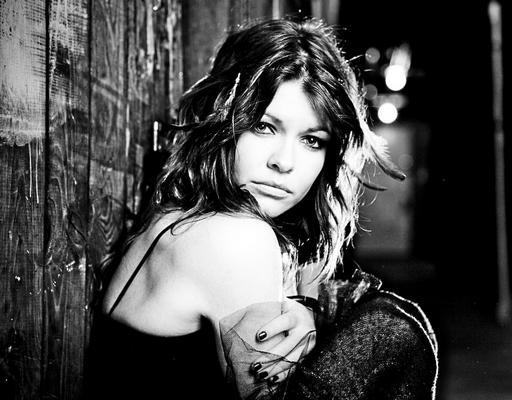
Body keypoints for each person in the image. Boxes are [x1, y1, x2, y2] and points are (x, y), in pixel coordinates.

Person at [86, 17, 438, 400]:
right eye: (264, 126)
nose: (283, 162)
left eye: (312, 140)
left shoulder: (176, 216)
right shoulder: (239, 238)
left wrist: (306, 311)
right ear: (224, 120)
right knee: (391, 332)